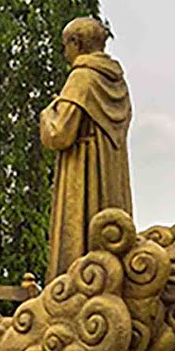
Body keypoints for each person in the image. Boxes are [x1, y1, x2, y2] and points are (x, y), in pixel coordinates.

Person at [38, 16, 133, 278]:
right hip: (112, 174)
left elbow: (59, 134)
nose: (64, 52)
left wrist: (48, 113)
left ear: (76, 43)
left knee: (77, 246)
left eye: (65, 45)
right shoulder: (117, 82)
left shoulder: (82, 78)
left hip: (83, 169)